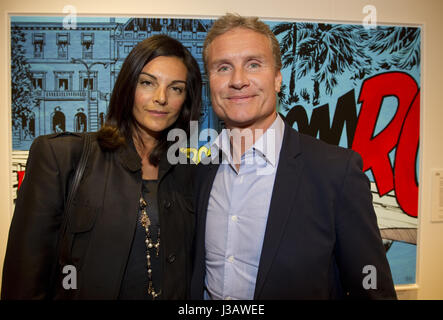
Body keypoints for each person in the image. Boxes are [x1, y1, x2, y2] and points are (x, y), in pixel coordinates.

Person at [190, 13, 397, 300]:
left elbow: (373, 289)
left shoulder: (336, 172)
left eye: (253, 64)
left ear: (277, 78)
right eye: (223, 68)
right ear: (209, 81)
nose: (238, 80)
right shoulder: (199, 171)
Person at [2, 34, 201, 300]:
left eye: (176, 88)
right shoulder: (62, 157)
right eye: (147, 83)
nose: (161, 98)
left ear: (186, 101)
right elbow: (23, 284)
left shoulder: (188, 174)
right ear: (128, 87)